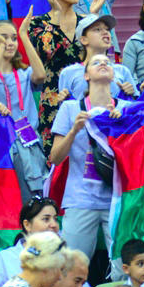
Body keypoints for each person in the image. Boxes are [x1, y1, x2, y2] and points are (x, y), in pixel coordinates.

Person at [50, 54, 131, 275]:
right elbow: (55, 157)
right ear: (86, 75)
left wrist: (122, 128)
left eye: (108, 62)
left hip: (117, 201)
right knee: (69, 268)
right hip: (80, 199)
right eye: (96, 62)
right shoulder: (69, 108)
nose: (104, 64)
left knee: (123, 271)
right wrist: (74, 130)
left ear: (114, 75)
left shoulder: (126, 109)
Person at [0, 17, 49, 201]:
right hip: (1, 145)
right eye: (2, 38)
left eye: (13, 38)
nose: (9, 42)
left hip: (29, 144)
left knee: (34, 198)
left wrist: (24, 35)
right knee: (7, 198)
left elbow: (41, 75)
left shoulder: (24, 73)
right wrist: (0, 51)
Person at [0, 196, 95, 287]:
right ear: (27, 225)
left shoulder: (66, 257)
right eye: (46, 219)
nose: (54, 225)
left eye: (55, 219)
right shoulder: (4, 258)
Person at [27, 0, 84, 155]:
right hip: (53, 103)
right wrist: (57, 16)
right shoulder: (37, 23)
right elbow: (46, 52)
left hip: (85, 100)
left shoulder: (86, 21)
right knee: (55, 161)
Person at [58, 14, 137, 100]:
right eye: (97, 29)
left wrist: (132, 94)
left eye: (107, 29)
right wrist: (63, 99)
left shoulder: (122, 71)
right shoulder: (69, 73)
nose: (105, 32)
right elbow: (66, 109)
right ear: (84, 40)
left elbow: (135, 106)